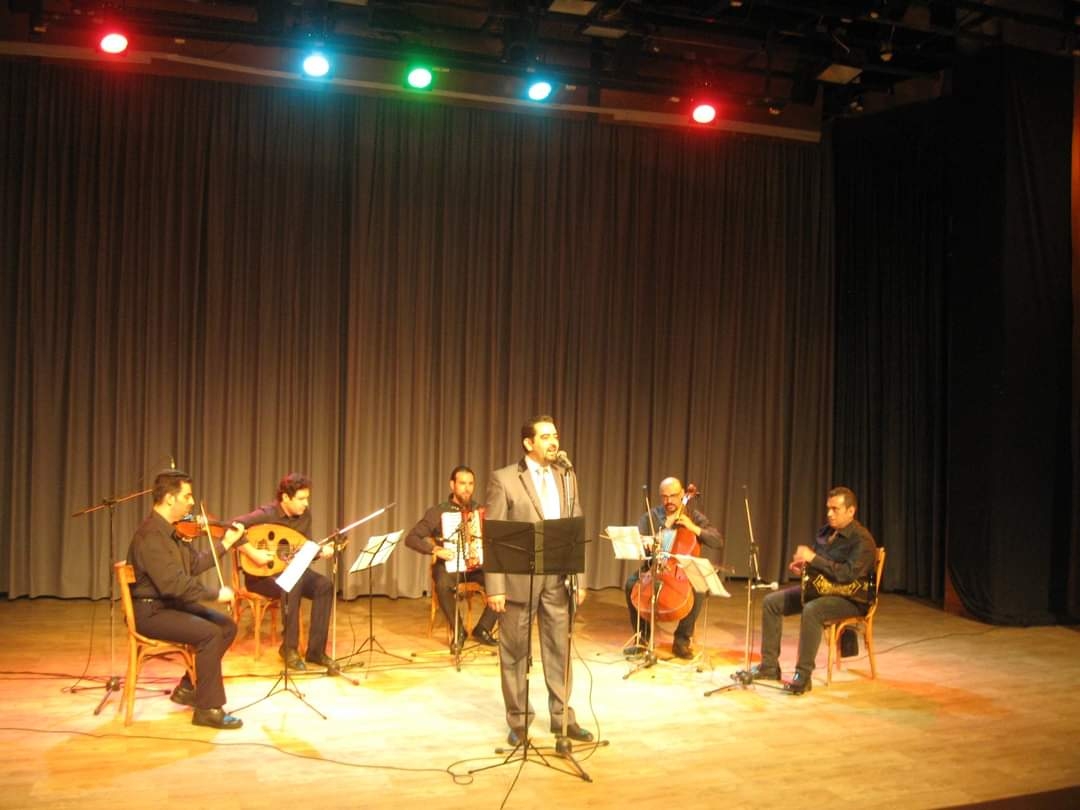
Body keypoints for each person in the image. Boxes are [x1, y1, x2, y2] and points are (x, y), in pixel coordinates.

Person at [484, 415, 592, 747]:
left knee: (559, 650)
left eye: (555, 435)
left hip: (557, 578)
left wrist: (579, 577)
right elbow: (493, 537)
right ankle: (518, 721)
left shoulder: (567, 476)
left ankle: (563, 719)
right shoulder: (504, 479)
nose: (553, 441)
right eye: (545, 437)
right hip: (519, 580)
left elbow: (575, 528)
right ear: (528, 443)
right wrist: (495, 587)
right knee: (515, 653)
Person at [126, 469, 246, 729]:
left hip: (168, 606)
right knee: (210, 634)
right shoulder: (150, 536)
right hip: (150, 612)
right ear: (170, 498)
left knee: (226, 626)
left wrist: (225, 543)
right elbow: (174, 585)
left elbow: (194, 564)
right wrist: (216, 594)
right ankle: (207, 709)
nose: (192, 502)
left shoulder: (172, 532)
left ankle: (189, 688)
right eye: (187, 496)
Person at [745, 486, 877, 695]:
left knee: (813, 610)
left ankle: (803, 676)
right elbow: (820, 564)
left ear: (851, 511)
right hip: (820, 589)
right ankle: (769, 667)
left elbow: (846, 574)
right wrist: (805, 567)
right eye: (828, 508)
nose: (829, 513)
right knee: (771, 603)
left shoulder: (862, 540)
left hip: (851, 598)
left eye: (835, 509)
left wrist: (813, 558)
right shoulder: (826, 531)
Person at [232, 473, 340, 676]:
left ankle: (315, 652)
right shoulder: (267, 514)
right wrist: (253, 554)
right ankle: (289, 648)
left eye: (307, 498)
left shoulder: (305, 516)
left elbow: (303, 548)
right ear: (285, 498)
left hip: (293, 571)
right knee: (293, 583)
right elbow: (232, 527)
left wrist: (318, 552)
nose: (306, 503)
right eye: (301, 498)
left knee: (324, 585)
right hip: (262, 577)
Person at [623, 477, 724, 660]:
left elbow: (717, 541)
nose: (669, 501)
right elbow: (639, 538)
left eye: (673, 496)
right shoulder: (652, 516)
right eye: (664, 497)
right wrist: (649, 540)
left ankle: (681, 641)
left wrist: (693, 528)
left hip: (682, 571)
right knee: (631, 584)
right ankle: (643, 639)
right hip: (654, 567)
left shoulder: (694, 517)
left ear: (683, 494)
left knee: (699, 589)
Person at [404, 465, 498, 651]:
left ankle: (483, 628)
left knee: (504, 583)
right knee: (442, 584)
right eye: (462, 483)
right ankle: (458, 630)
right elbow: (411, 538)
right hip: (449, 565)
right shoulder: (438, 512)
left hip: (476, 566)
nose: (467, 488)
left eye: (470, 484)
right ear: (452, 485)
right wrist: (435, 550)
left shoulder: (480, 510)